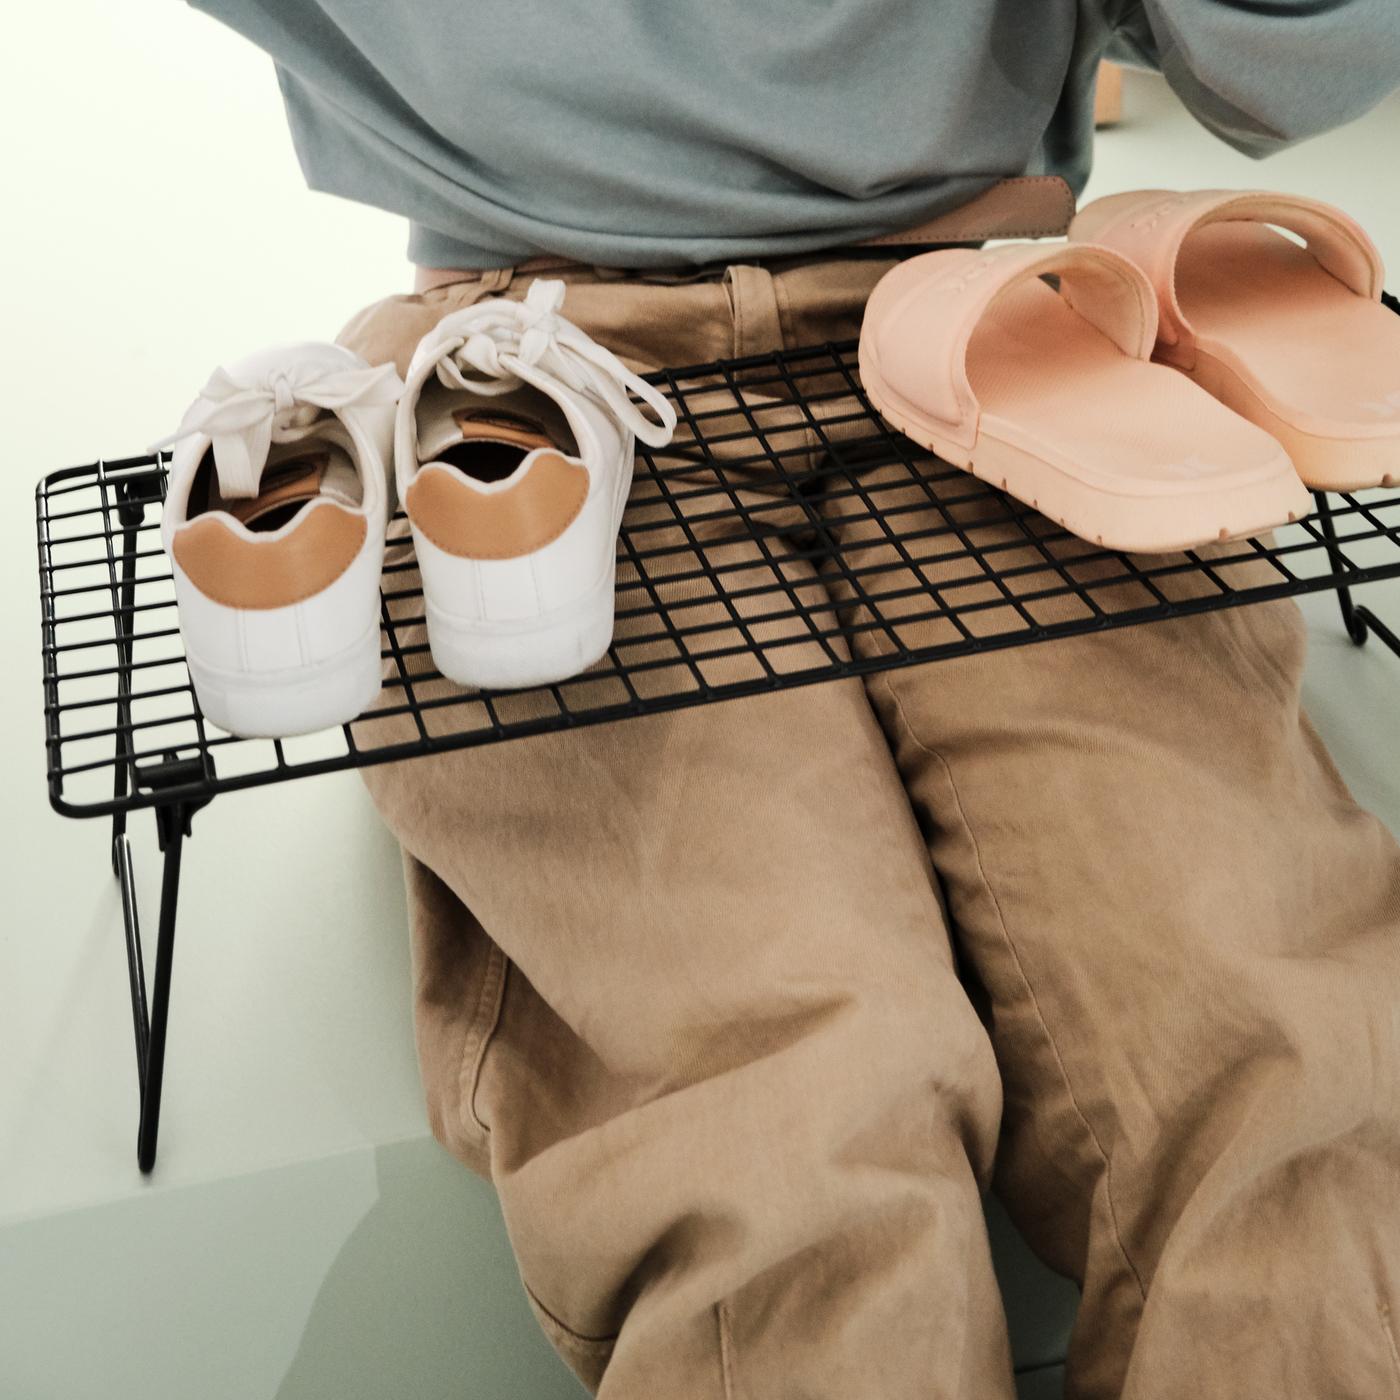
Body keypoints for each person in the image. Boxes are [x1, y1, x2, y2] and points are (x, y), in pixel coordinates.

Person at [185, 3, 1400, 1396]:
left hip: (993, 319)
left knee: (1273, 1074)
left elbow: (1294, 66)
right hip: (533, 368)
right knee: (786, 1138)